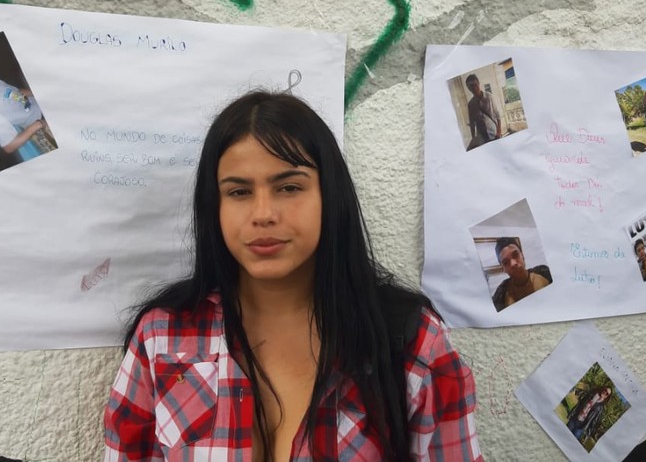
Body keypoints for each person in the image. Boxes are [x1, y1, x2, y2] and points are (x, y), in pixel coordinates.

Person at [103, 91, 482, 461]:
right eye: (238, 191)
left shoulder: (413, 344)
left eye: (289, 187)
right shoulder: (163, 338)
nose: (263, 213)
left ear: (329, 197)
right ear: (213, 206)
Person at [491, 237, 552, 312]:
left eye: (516, 255)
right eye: (505, 262)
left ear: (522, 255)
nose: (513, 264)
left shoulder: (544, 273)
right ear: (503, 268)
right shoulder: (501, 293)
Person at [464, 74, 502, 149]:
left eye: (475, 85)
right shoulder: (471, 104)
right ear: (469, 88)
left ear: (478, 83)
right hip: (481, 138)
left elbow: (497, 114)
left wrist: (499, 131)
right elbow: (472, 123)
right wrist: (473, 137)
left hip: (494, 133)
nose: (474, 88)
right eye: (471, 86)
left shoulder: (489, 96)